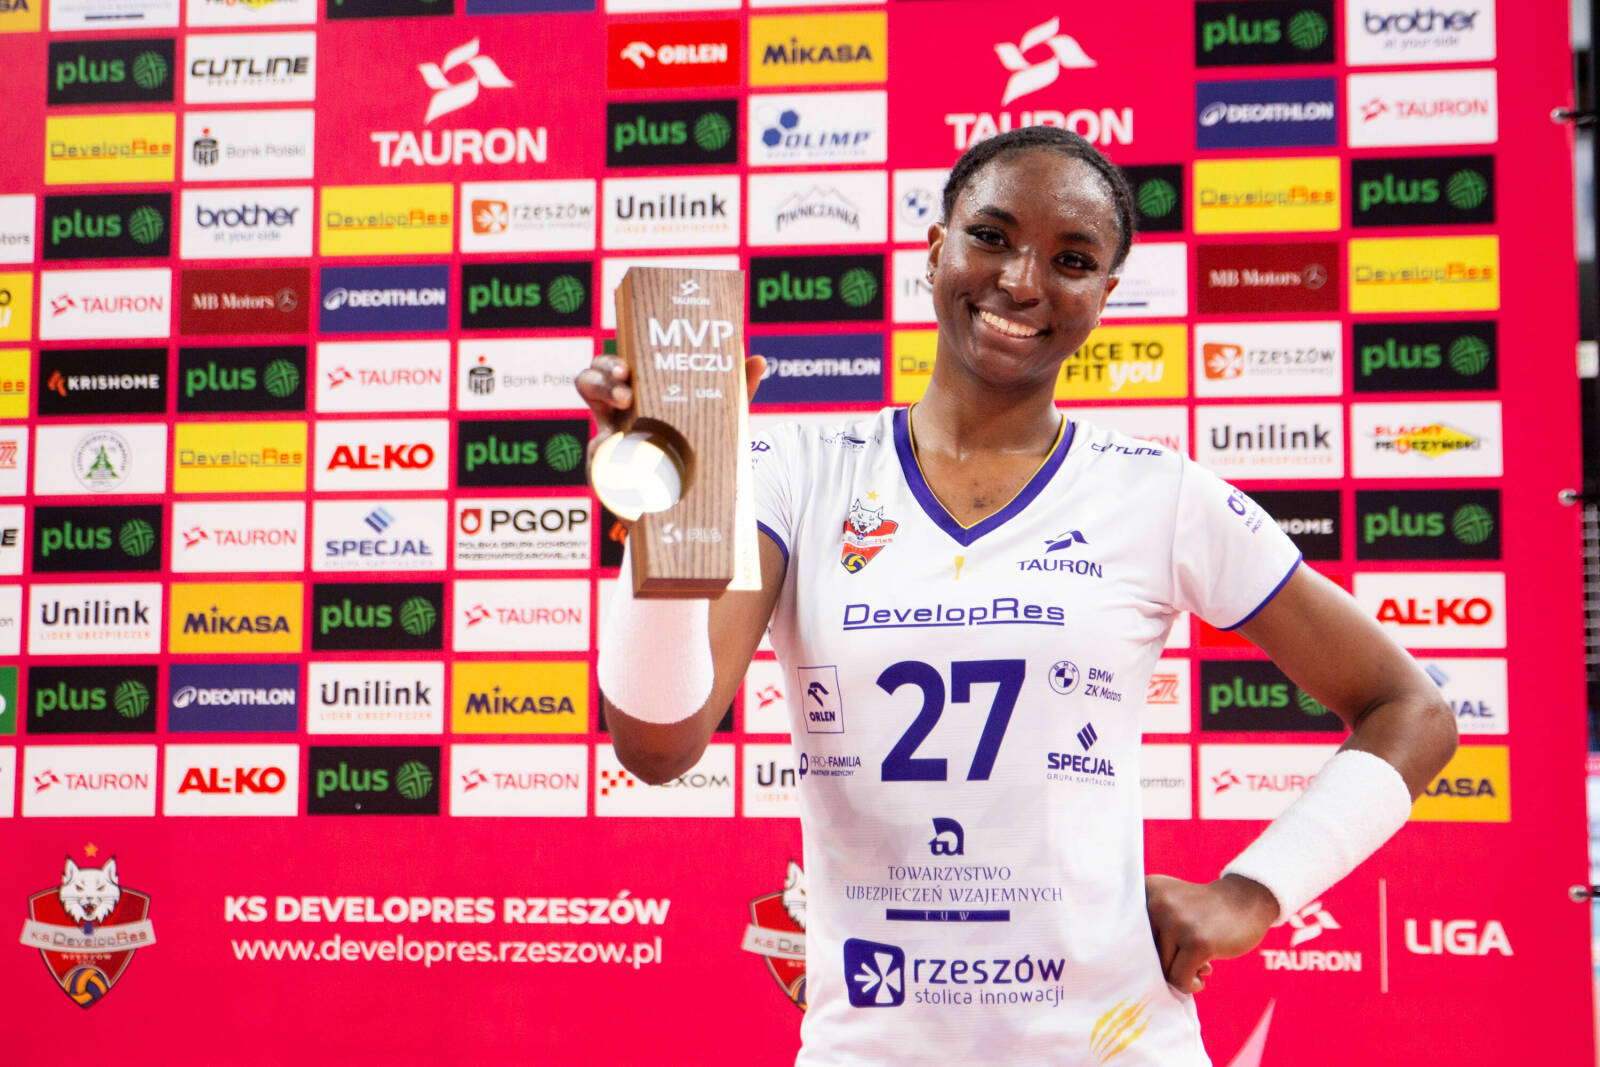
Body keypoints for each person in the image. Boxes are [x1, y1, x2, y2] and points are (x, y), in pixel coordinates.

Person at [578, 127, 1457, 1065]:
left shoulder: (1156, 493)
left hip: (1115, 1045)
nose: (1023, 281)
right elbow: (657, 744)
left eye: (1071, 260)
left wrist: (1255, 892)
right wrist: (661, 502)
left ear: (1105, 295)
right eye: (991, 236)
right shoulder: (794, 468)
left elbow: (1412, 710)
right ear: (935, 250)